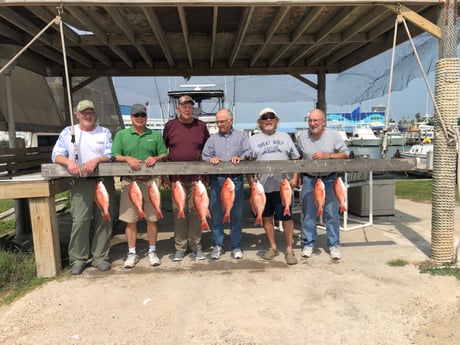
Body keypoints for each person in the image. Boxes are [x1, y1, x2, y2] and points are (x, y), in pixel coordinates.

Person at [52, 99, 115, 275]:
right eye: (84, 112)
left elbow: (110, 154)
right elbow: (56, 154)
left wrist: (96, 159)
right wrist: (69, 163)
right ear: (77, 114)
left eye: (91, 112)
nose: (88, 115)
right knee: (80, 220)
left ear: (95, 114)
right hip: (80, 182)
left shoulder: (104, 132)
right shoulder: (68, 132)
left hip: (103, 180)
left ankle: (100, 256)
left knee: (105, 218)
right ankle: (78, 258)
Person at [112, 103, 168, 269]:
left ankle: (152, 250)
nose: (139, 118)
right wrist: (126, 158)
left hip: (150, 182)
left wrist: (156, 158)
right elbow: (115, 155)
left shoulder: (155, 135)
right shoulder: (122, 134)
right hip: (130, 182)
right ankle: (131, 252)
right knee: (130, 220)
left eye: (142, 115)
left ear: (146, 117)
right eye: (136, 115)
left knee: (152, 218)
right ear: (131, 118)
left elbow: (164, 153)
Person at [248, 107, 300, 265]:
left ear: (276, 120)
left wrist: (296, 177)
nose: (268, 120)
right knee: (266, 217)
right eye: (265, 117)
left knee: (287, 218)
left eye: (271, 117)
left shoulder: (285, 137)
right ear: (260, 122)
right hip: (262, 187)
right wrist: (251, 182)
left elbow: (296, 159)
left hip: (282, 185)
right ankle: (273, 246)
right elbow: (247, 164)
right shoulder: (253, 139)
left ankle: (289, 249)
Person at [297, 108, 349, 260]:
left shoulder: (334, 135)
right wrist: (296, 176)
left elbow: (345, 153)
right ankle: (308, 243)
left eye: (316, 120)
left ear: (323, 122)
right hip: (309, 179)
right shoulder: (302, 136)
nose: (313, 124)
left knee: (332, 213)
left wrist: (328, 156)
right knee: (308, 213)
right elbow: (297, 156)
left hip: (330, 179)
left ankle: (333, 244)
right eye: (310, 121)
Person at [162, 95, 210, 261]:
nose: (187, 108)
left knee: (196, 212)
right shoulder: (170, 126)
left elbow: (207, 150)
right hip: (177, 179)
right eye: (183, 105)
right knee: (179, 213)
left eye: (190, 105)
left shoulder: (201, 126)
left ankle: (196, 247)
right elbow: (164, 151)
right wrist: (164, 175)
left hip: (197, 178)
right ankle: (180, 247)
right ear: (178, 108)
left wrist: (206, 174)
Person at [202, 108, 252, 260]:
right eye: (217, 121)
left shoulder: (241, 136)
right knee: (216, 215)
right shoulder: (212, 139)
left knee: (236, 214)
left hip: (236, 180)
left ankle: (236, 246)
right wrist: (212, 159)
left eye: (222, 121)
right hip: (218, 180)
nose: (219, 124)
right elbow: (205, 155)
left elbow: (249, 152)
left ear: (231, 120)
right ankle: (218, 245)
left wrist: (241, 157)